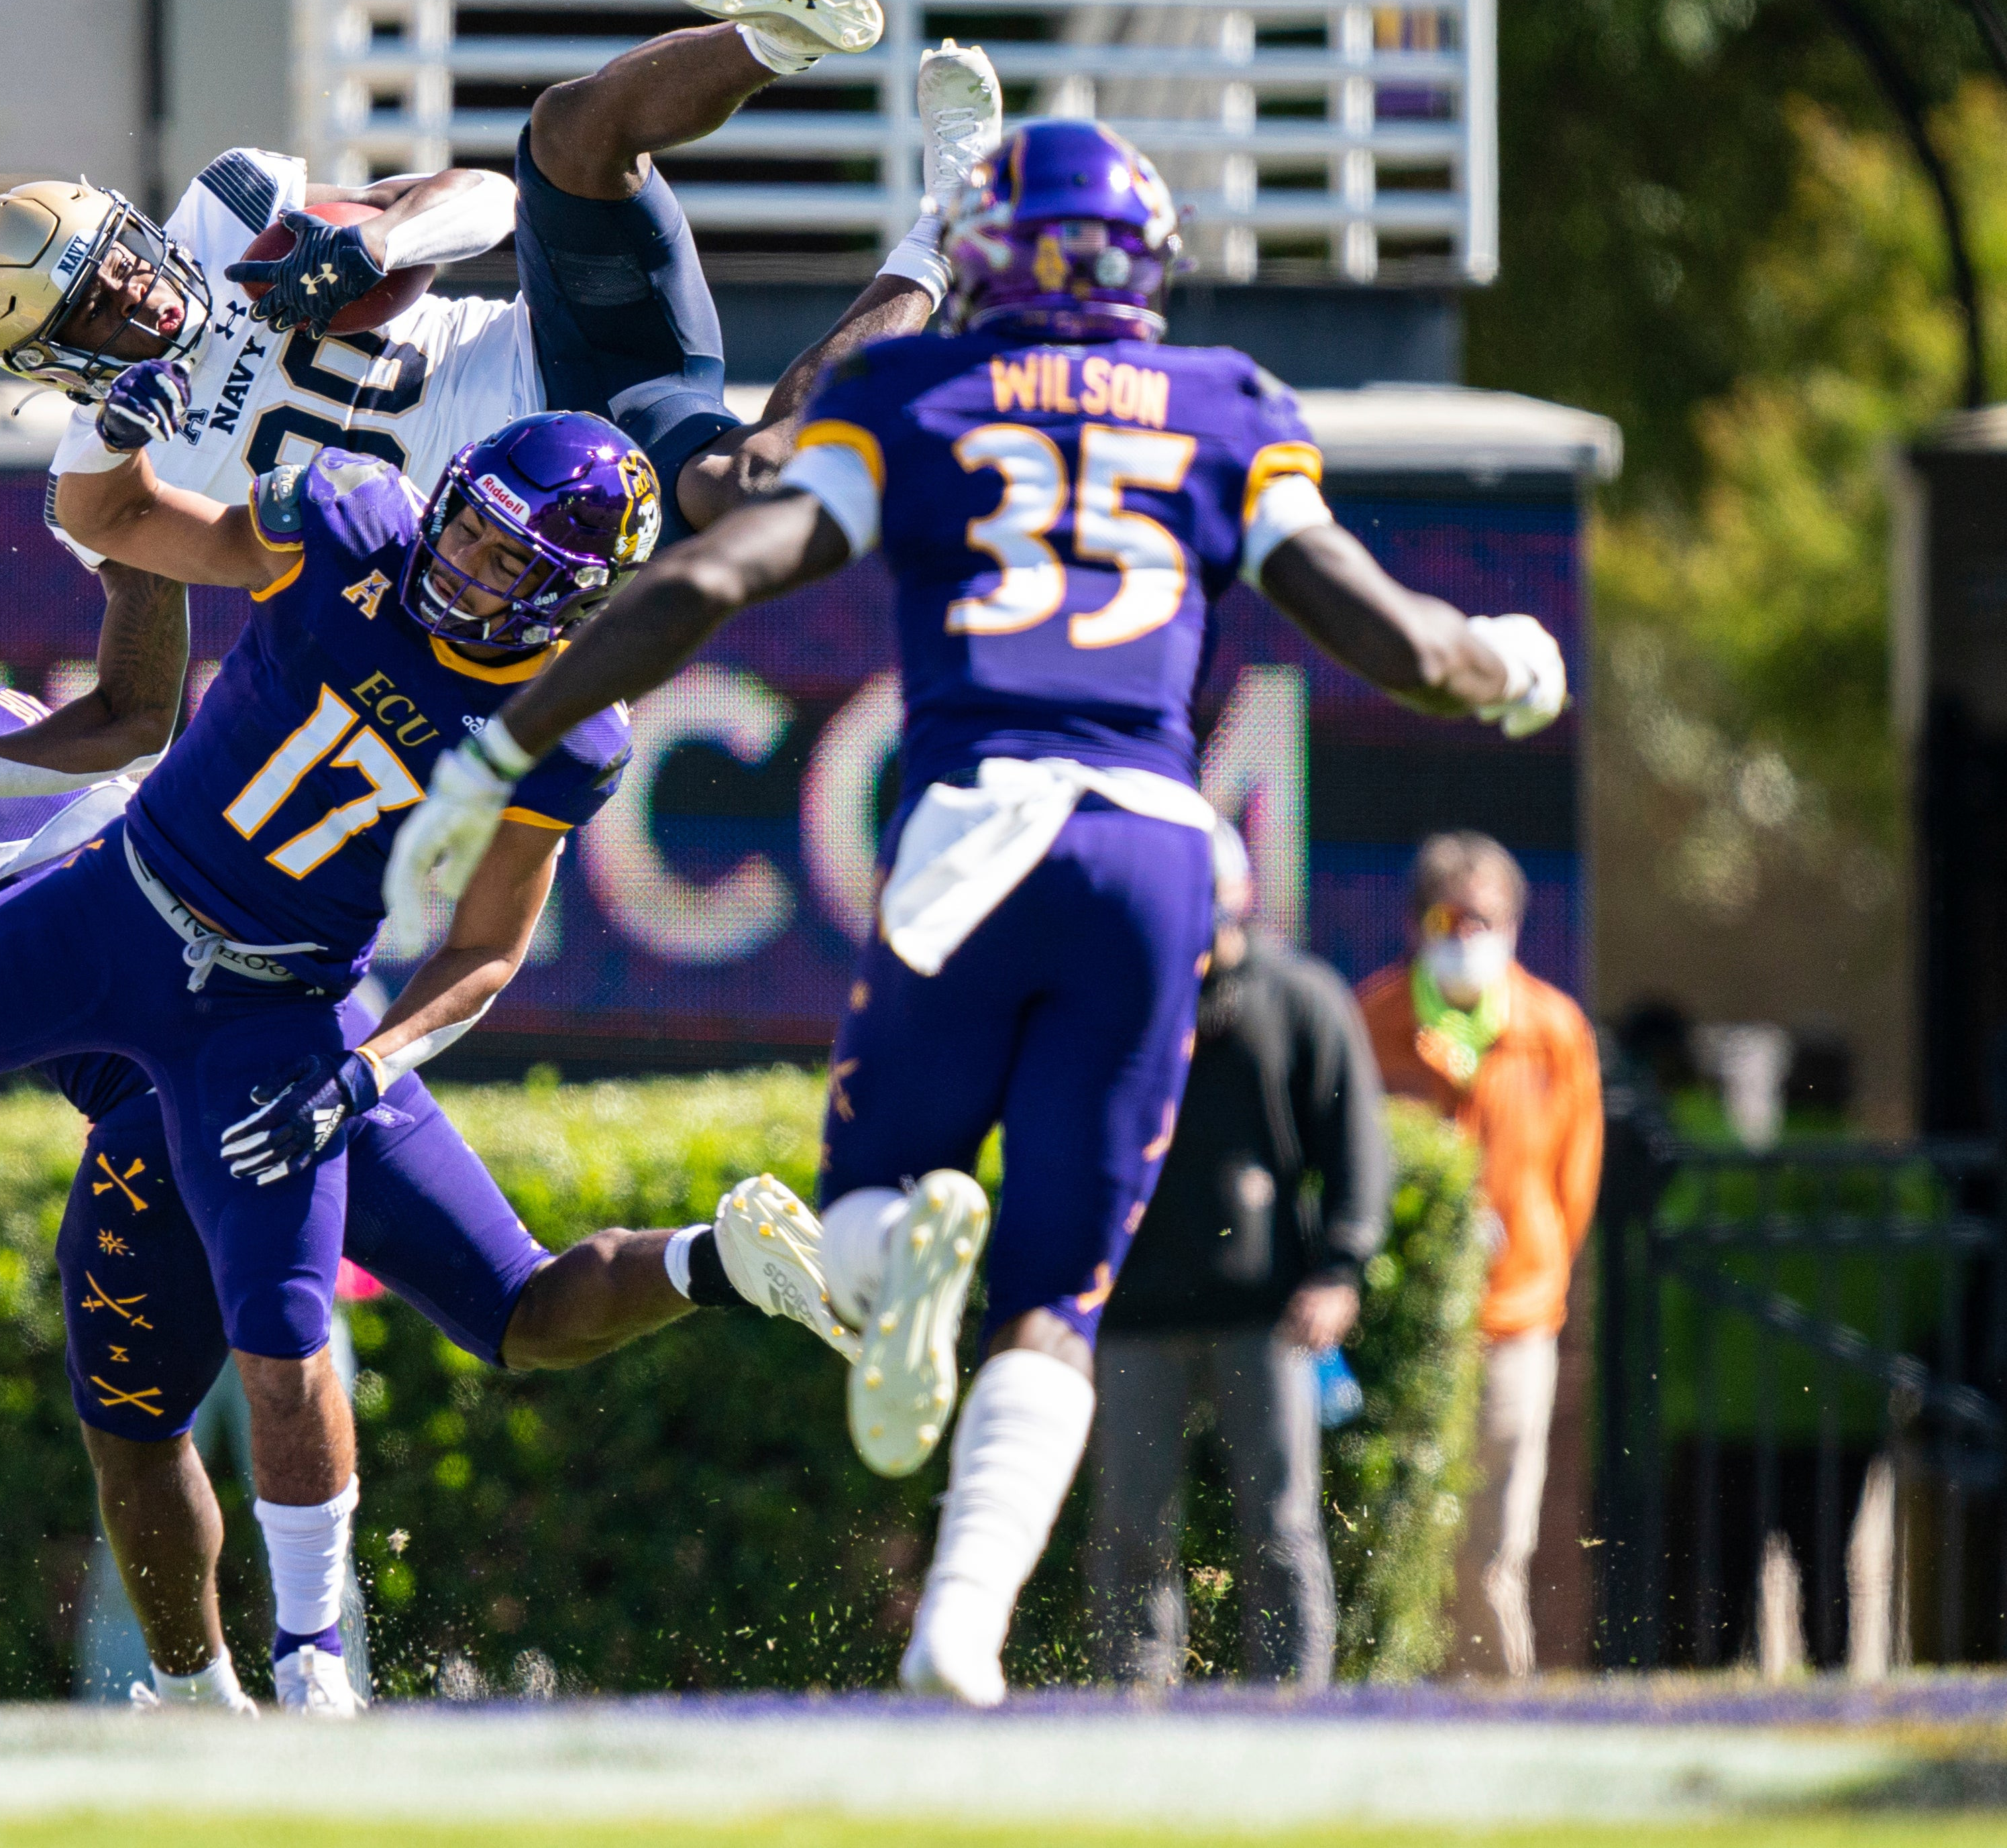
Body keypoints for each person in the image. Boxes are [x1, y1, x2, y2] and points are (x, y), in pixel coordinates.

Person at [378, 117, 1572, 1704]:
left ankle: (890, 1271)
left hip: (974, 829)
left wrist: (500, 749)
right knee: (1061, 1298)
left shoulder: (918, 396)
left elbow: (710, 578)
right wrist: (1501, 665)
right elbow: (1399, 645)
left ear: (985, 255)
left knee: (864, 1212)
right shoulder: (1220, 406)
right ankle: (963, 1628)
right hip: (1156, 847)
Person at [0, 411, 848, 1715]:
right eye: (464, 532)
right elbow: (131, 704)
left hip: (169, 1054)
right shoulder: (21, 720)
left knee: (141, 1428)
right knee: (516, 1310)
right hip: (308, 1018)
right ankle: (712, 1259)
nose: (466, 568)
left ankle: (202, 1697)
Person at [0, 0, 1006, 545]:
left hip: (553, 345)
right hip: (518, 521)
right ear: (53, 359)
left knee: (564, 131)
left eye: (120, 265)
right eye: (93, 307)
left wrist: (380, 243)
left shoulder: (226, 213)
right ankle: (944, 235)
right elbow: (119, 527)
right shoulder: (105, 464)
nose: (133, 298)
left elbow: (488, 204)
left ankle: (772, 35)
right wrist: (118, 439)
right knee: (756, 487)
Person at [1084, 822, 1389, 1688]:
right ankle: (1132, 1696)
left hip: (1265, 1312)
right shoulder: (1115, 1000)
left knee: (1280, 1519)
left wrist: (1338, 1266)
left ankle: (1293, 1694)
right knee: (1129, 1521)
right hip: (1135, 1311)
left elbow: (1355, 1145)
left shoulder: (1298, 997)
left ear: (1239, 893)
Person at [1356, 832, 1601, 1680]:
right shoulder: (1373, 1019)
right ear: (1417, 921)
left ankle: (1496, 1708)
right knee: (1398, 1534)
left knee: (1492, 1543)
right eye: (1447, 917)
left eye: (1483, 918)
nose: (1466, 934)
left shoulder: (1552, 1030)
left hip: (1512, 1319)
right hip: (1402, 1322)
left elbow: (1574, 1180)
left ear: (1514, 925)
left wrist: (1534, 1274)